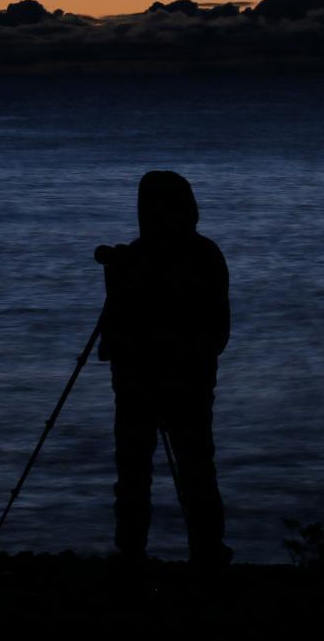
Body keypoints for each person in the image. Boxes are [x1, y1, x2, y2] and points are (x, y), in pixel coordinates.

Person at [95, 170, 231, 568]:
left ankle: (132, 548)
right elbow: (217, 329)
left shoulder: (139, 257)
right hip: (187, 379)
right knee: (192, 467)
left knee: (138, 468)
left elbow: (116, 328)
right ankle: (206, 549)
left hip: (144, 378)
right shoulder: (205, 254)